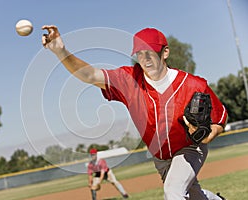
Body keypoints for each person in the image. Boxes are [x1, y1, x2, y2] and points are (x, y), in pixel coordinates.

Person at [41, 25, 228, 200]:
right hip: (160, 155)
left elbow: (219, 120)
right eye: (140, 53)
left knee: (173, 191)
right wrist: (60, 51)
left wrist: (207, 136)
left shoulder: (193, 84)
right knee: (193, 195)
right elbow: (90, 75)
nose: (145, 59)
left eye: (150, 52)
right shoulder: (129, 80)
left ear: (165, 52)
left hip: (189, 148)